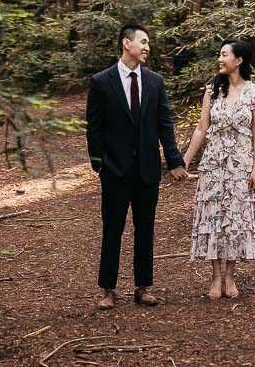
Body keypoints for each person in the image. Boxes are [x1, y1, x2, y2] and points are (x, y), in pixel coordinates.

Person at [85, 24, 187, 309]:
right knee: (112, 229)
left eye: (148, 43)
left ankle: (143, 287)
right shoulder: (101, 82)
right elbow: (93, 128)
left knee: (145, 229)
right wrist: (98, 165)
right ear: (126, 44)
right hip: (114, 171)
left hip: (147, 170)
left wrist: (174, 161)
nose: (147, 47)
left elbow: (164, 124)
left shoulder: (155, 82)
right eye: (143, 42)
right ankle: (108, 289)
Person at [183, 37, 255, 299]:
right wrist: (183, 160)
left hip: (240, 165)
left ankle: (230, 276)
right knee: (214, 218)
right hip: (214, 164)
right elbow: (201, 128)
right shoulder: (212, 91)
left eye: (225, 55)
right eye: (219, 54)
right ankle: (215, 277)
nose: (220, 59)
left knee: (235, 220)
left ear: (239, 60)